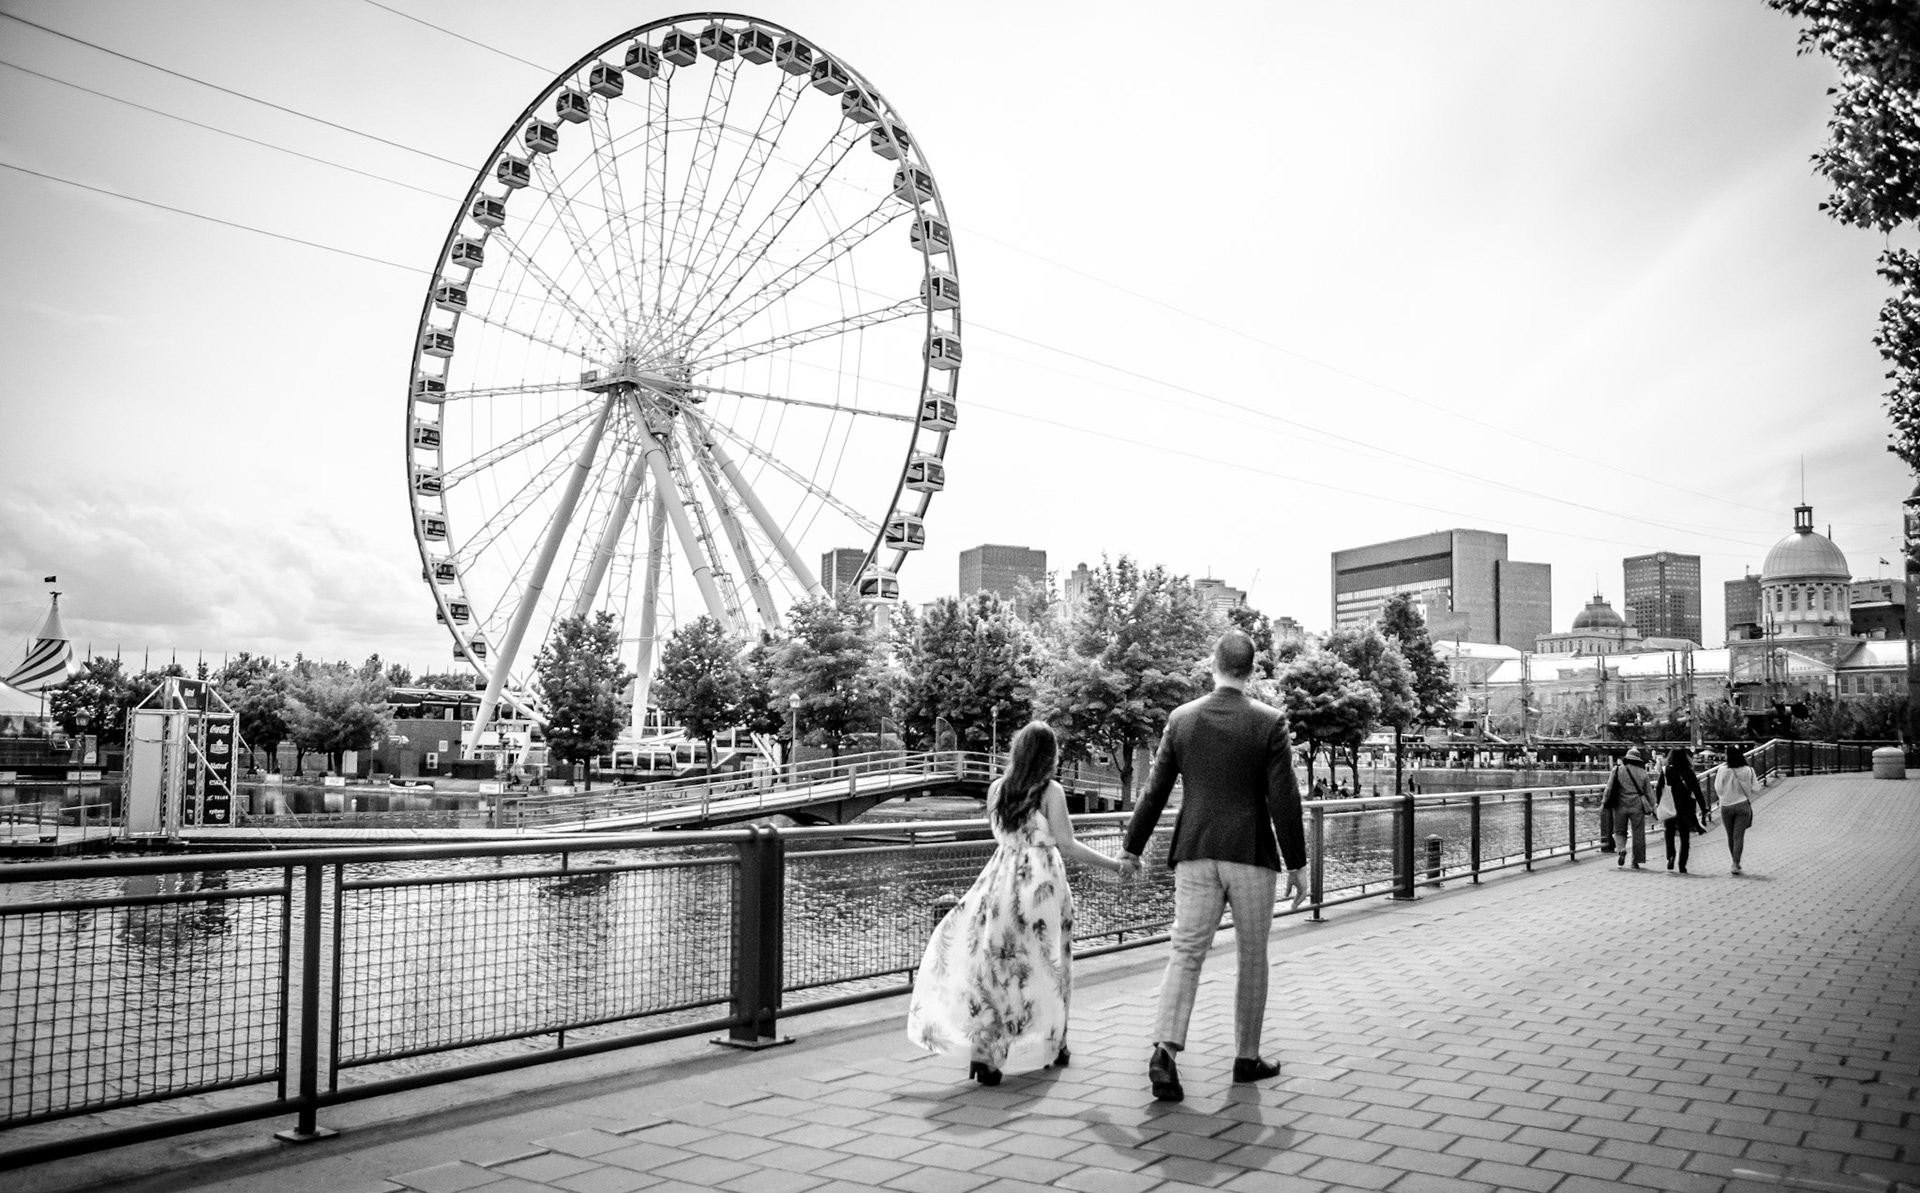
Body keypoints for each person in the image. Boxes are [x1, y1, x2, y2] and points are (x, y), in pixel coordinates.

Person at [1119, 630, 1308, 1103]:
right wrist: (1298, 863)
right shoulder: (1269, 722)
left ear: (1213, 664)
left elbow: (1154, 790)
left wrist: (1131, 847)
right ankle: (1246, 1057)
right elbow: (1283, 797)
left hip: (1196, 851)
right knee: (1252, 955)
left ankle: (1164, 1050)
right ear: (1252, 669)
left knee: (1185, 951)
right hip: (1250, 854)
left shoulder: (1182, 720)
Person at [907, 721, 1125, 1085]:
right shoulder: (1050, 791)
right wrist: (1114, 865)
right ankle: (1057, 1042)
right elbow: (1067, 844)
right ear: (1048, 755)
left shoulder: (997, 789)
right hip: (1041, 886)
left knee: (996, 968)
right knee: (1049, 966)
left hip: (1000, 881)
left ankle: (986, 1054)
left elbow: (1003, 835)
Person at [1602, 746, 1654, 868]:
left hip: (1620, 805)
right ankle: (1636, 861)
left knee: (1619, 831)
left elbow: (1609, 788)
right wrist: (1653, 807)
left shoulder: (1617, 770)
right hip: (1637, 805)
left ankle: (1621, 849)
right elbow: (1649, 793)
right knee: (1638, 833)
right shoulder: (1643, 773)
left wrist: (1604, 803)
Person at [1656, 748, 1704, 874]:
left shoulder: (1666, 771)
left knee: (1669, 833)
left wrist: (1658, 802)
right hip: (1685, 808)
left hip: (1670, 806)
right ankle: (1682, 865)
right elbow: (1697, 792)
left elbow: (1659, 788)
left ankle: (1670, 855)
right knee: (1684, 837)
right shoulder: (1689, 772)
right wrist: (1704, 809)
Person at [1714, 743, 1759, 875]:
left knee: (1730, 836)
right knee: (1738, 837)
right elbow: (1756, 788)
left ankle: (1734, 861)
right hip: (1742, 805)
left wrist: (1725, 796)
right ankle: (1736, 863)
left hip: (1726, 805)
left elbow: (1718, 788)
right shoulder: (1748, 770)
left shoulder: (1722, 770)